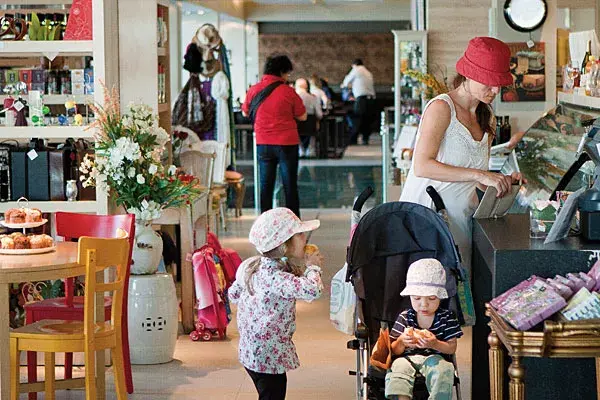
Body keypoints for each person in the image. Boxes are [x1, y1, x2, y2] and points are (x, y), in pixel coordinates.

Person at [399, 37, 525, 273]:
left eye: (500, 83)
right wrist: (482, 174)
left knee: (458, 297)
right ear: (469, 74)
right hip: (429, 220)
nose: (496, 90)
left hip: (461, 220)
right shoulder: (441, 108)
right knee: (429, 299)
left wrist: (503, 179)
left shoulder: (486, 117)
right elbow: (422, 166)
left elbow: (472, 178)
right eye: (490, 82)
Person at [229, 207, 324, 400]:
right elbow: (312, 290)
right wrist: (313, 267)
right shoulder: (276, 278)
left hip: (251, 350)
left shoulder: (251, 265)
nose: (305, 237)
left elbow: (234, 294)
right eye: (300, 234)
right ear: (284, 246)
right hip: (267, 356)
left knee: (269, 393)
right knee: (273, 395)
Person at [386, 259, 462, 400]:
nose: (424, 304)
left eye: (432, 298)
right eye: (417, 298)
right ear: (410, 297)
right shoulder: (405, 317)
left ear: (440, 297)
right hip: (406, 357)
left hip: (435, 357)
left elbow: (452, 348)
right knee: (398, 367)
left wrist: (435, 344)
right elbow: (393, 350)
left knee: (445, 369)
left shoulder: (446, 317)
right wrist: (402, 341)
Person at [242, 54, 307, 217]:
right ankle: (293, 224)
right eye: (287, 73)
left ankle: (266, 223)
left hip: (263, 143)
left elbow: (245, 112)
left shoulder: (254, 90)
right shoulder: (288, 92)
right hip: (287, 144)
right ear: (282, 72)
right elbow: (302, 116)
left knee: (266, 185)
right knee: (289, 185)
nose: (287, 77)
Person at [341, 58, 376, 145]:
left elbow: (346, 82)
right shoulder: (368, 72)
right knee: (367, 120)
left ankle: (353, 139)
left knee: (357, 119)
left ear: (354, 65)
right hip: (371, 99)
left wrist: (346, 86)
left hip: (361, 99)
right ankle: (365, 139)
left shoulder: (356, 70)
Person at [295, 78, 323, 158]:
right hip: (311, 126)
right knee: (313, 129)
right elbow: (319, 114)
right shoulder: (313, 98)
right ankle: (311, 150)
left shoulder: (294, 98)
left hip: (296, 127)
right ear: (307, 86)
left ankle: (300, 149)